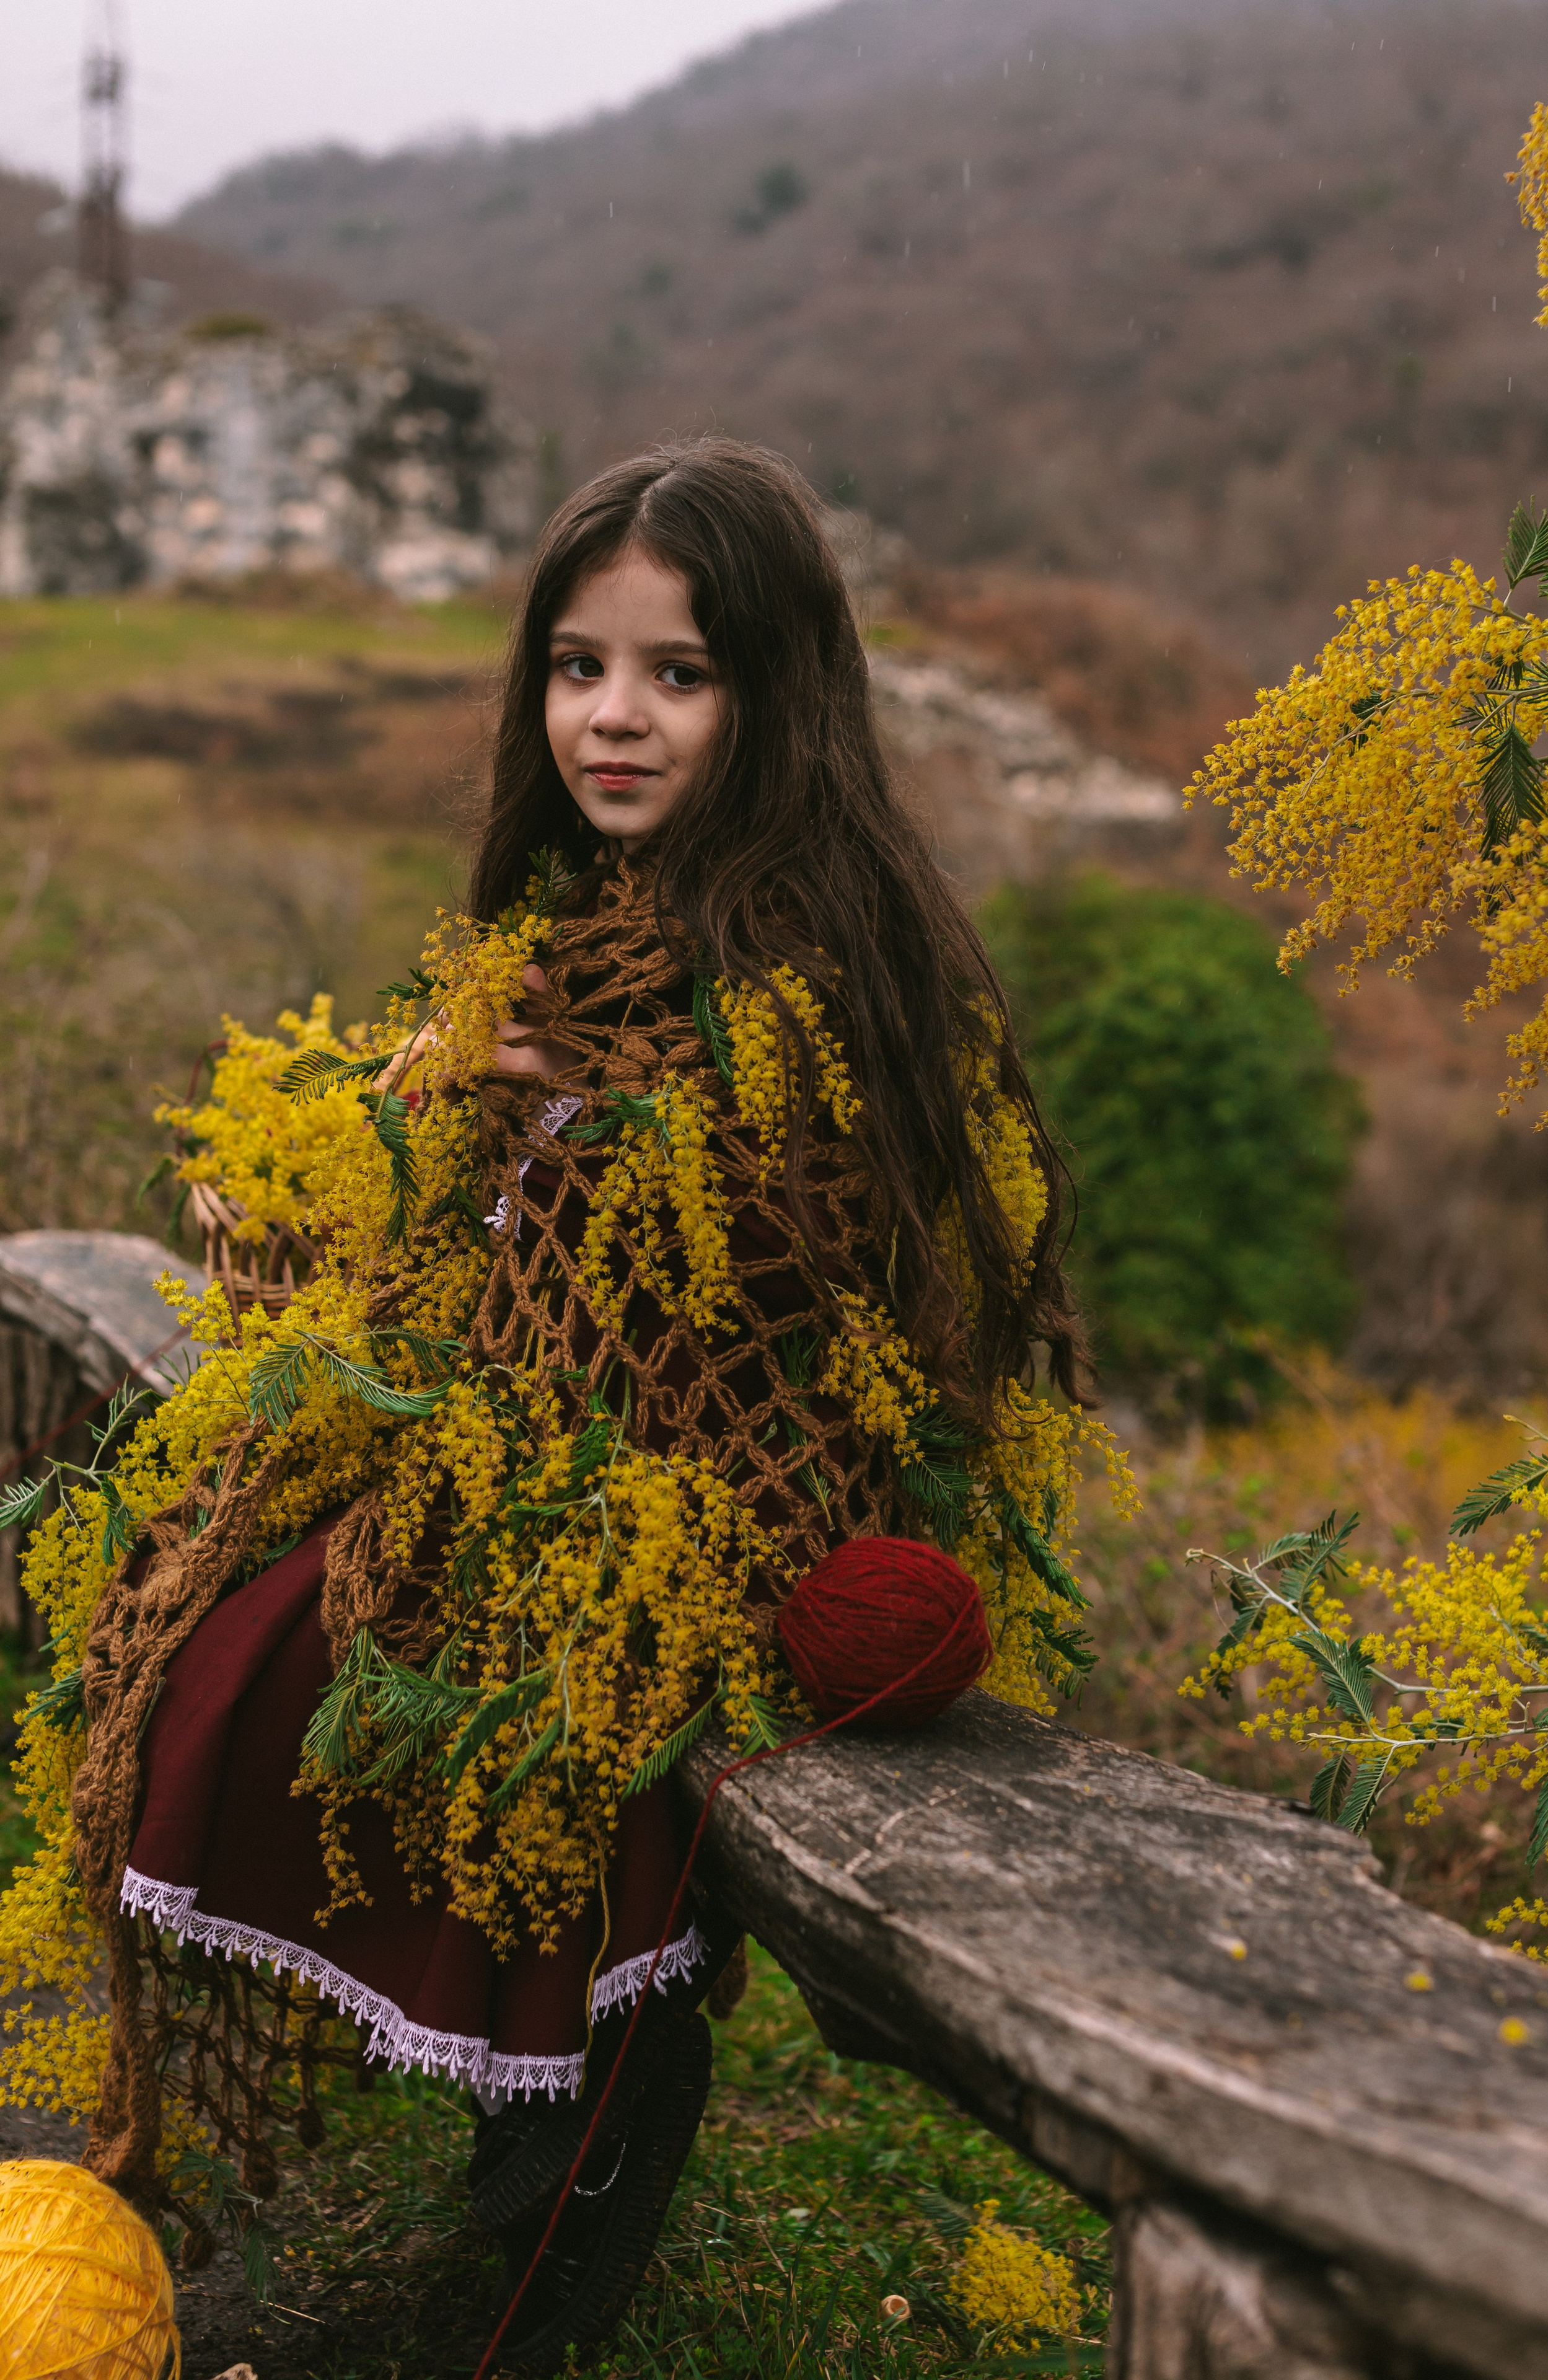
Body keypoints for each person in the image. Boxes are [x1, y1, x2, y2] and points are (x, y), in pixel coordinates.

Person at [60, 437, 1090, 2368]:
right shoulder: (571, 935)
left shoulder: (814, 963)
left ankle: (591, 2115)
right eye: (579, 667)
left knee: (504, 1682)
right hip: (551, 1464)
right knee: (237, 1631)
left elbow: (749, 1288)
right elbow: (463, 1256)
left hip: (728, 1515)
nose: (614, 717)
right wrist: (377, 1132)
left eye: (679, 674)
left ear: (774, 696)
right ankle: (507, 2120)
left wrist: (541, 1117)